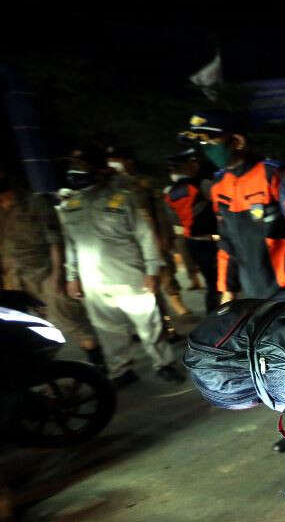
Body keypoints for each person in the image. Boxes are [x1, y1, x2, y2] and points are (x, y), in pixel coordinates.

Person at [56, 146, 184, 385]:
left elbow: (145, 237)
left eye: (82, 166)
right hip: (93, 281)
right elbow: (70, 246)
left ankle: (164, 364)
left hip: (130, 275)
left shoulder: (123, 199)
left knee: (149, 325)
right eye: (73, 167)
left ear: (99, 171)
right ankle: (121, 369)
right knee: (108, 330)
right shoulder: (68, 207)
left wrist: (152, 271)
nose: (76, 172)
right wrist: (72, 276)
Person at [183, 111, 285, 303]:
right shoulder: (219, 185)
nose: (206, 150)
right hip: (251, 293)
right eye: (202, 145)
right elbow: (226, 242)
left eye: (211, 142)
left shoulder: (276, 174)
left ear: (237, 141)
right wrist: (226, 290)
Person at [0, 165, 105, 370]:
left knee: (72, 321)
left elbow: (55, 240)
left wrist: (58, 274)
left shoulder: (35, 203)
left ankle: (99, 365)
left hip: (45, 273)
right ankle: (48, 377)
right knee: (25, 332)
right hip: (14, 279)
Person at [106, 144, 191, 319]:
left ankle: (177, 304)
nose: (113, 164)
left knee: (166, 273)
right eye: (110, 161)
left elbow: (160, 211)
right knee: (144, 282)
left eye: (117, 160)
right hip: (128, 243)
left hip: (153, 235)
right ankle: (162, 319)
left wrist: (166, 235)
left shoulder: (143, 183)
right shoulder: (108, 188)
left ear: (128, 161)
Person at [162, 148, 220, 313]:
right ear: (188, 165)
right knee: (222, 283)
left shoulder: (170, 193)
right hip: (214, 241)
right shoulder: (203, 184)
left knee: (212, 283)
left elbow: (174, 219)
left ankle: (214, 317)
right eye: (193, 162)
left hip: (193, 242)